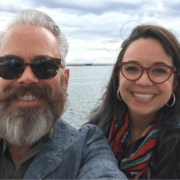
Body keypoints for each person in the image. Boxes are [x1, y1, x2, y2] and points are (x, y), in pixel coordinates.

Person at [0, 9, 127, 180]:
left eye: (45, 66)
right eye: (10, 65)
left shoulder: (87, 146)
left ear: (65, 81)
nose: (27, 78)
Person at [87, 24, 180, 180]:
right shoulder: (92, 134)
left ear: (175, 82)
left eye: (159, 70)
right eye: (132, 68)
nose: (143, 82)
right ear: (118, 75)